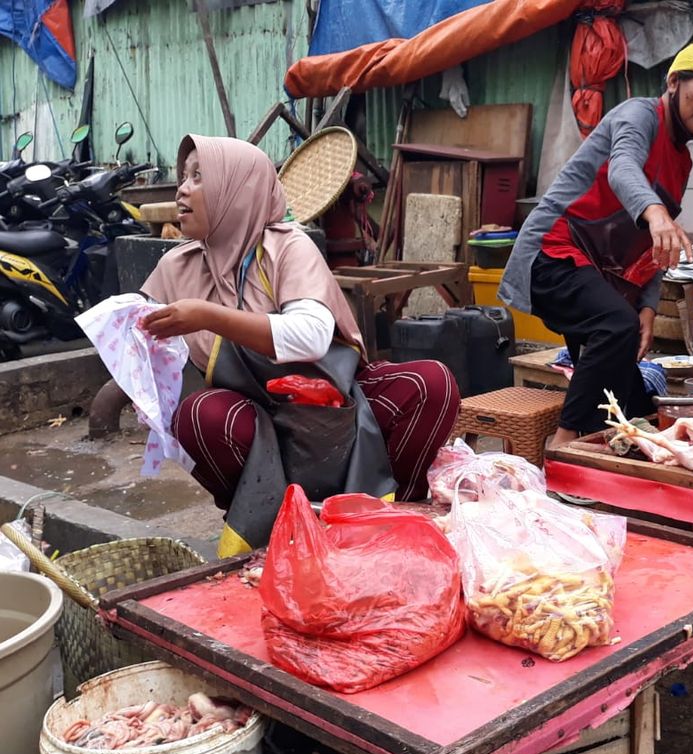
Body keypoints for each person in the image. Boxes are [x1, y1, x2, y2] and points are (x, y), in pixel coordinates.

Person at [140, 135, 459, 557]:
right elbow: (141, 338)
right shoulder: (175, 266)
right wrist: (135, 384)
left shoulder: (286, 247)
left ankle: (395, 515)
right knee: (199, 417)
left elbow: (310, 335)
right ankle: (271, 535)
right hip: (255, 418)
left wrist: (208, 316)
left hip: (336, 405)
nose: (182, 189)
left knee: (429, 384)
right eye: (183, 177)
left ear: (239, 190)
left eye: (198, 177)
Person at [500, 41, 693, 446]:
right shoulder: (639, 115)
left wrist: (648, 306)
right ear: (674, 82)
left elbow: (651, 247)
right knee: (615, 325)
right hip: (552, 251)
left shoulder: (682, 161)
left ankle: (624, 453)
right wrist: (654, 212)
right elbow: (623, 169)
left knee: (632, 395)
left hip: (595, 272)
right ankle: (564, 446)